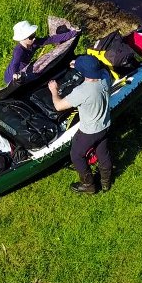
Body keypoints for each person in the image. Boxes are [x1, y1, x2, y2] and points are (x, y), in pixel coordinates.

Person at [48, 55, 113, 194]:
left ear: (84, 73)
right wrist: (78, 64)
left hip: (89, 132)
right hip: (105, 125)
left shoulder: (82, 91)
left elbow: (59, 106)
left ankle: (88, 185)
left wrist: (54, 91)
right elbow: (100, 68)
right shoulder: (105, 77)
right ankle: (106, 183)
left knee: (77, 155)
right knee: (103, 152)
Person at [4, 20, 76, 85]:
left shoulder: (34, 43)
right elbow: (15, 64)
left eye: (34, 34)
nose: (34, 38)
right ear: (23, 38)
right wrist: (15, 74)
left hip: (22, 70)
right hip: (12, 77)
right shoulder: (19, 51)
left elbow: (51, 39)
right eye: (31, 36)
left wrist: (73, 33)